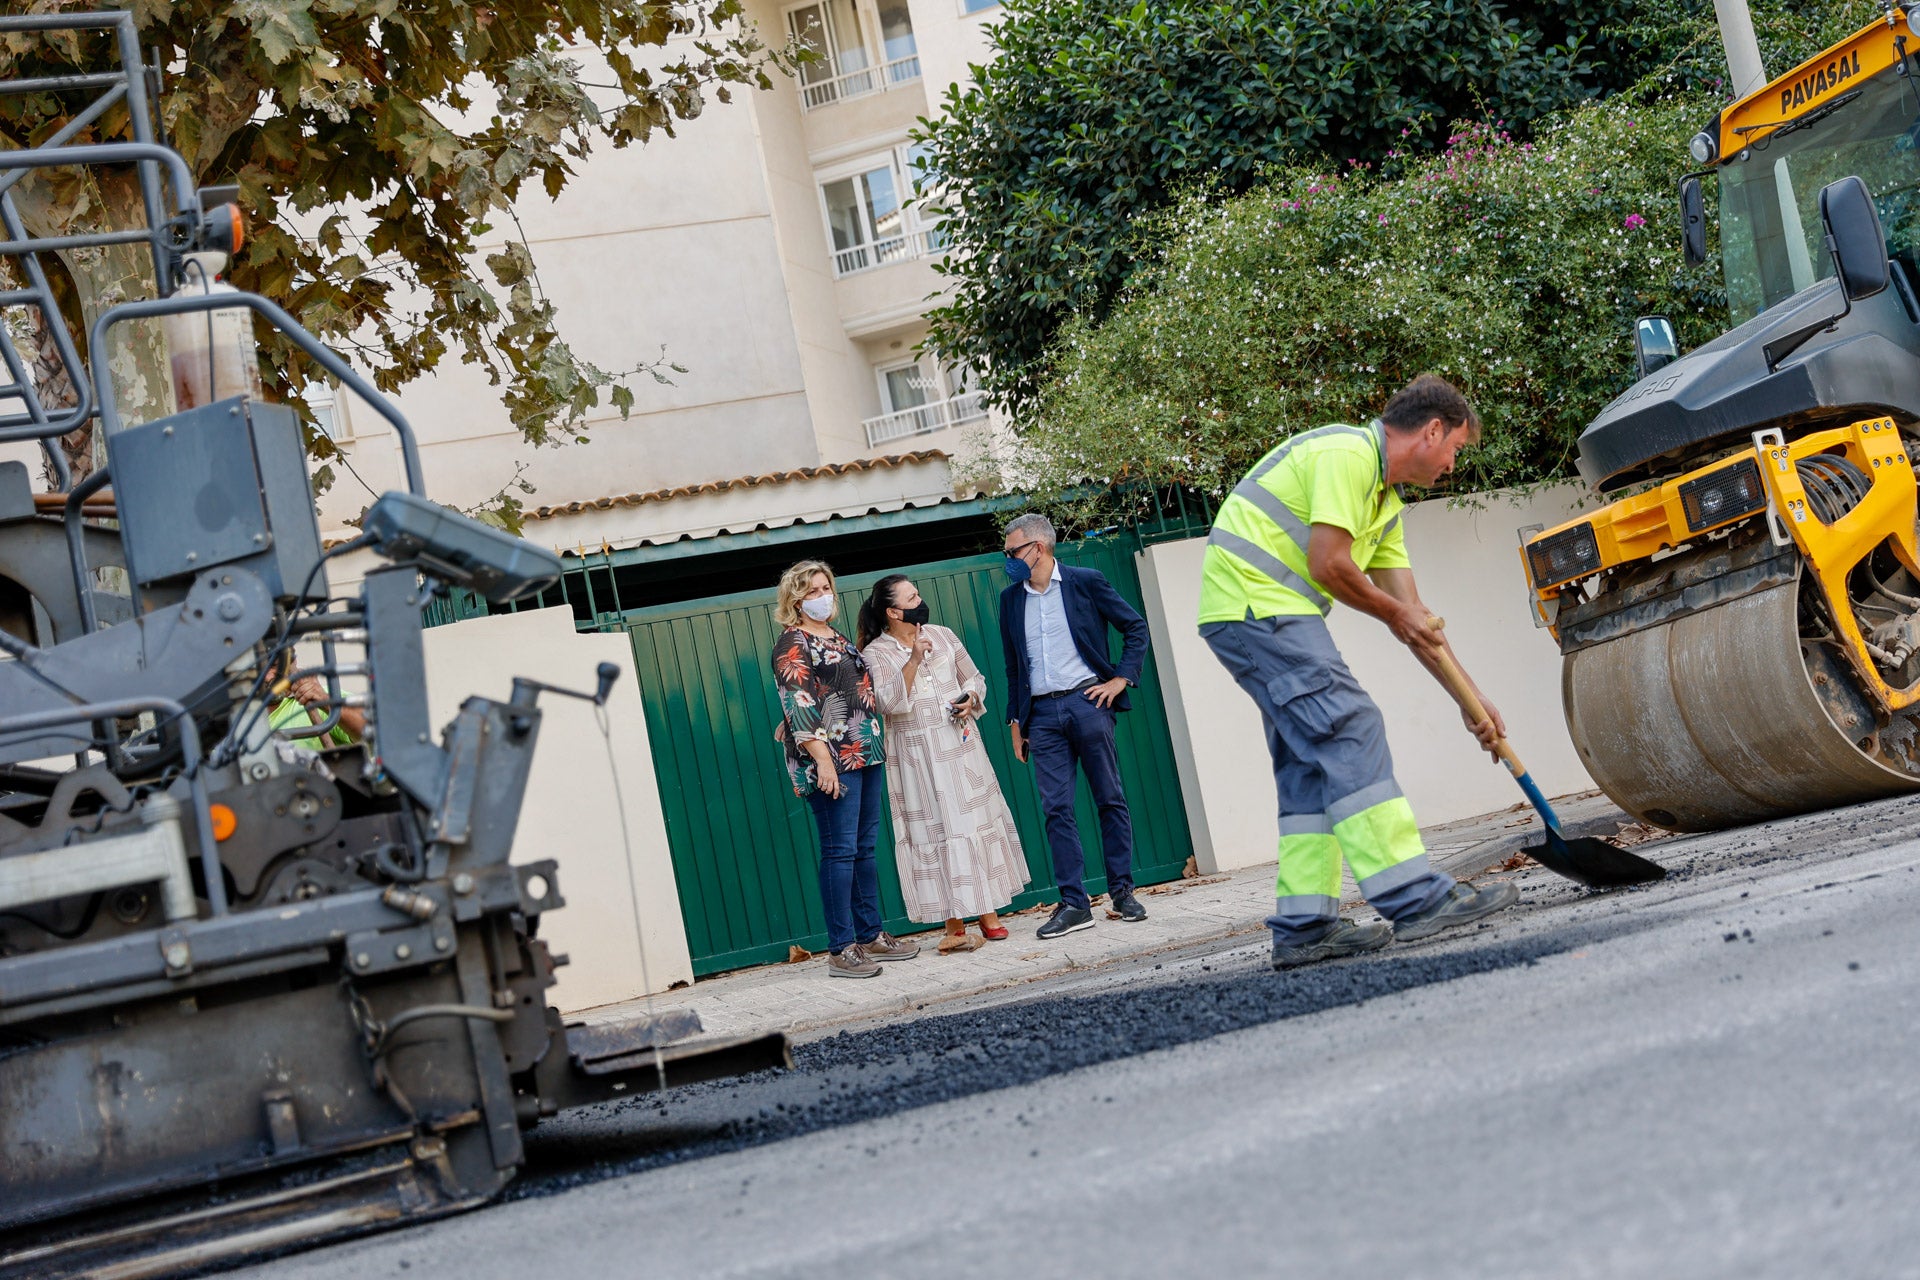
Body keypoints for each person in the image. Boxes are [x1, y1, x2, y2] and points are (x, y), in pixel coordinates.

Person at [1197, 373, 1519, 971]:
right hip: (1256, 607)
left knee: (1310, 761)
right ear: (1432, 430)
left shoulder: (1384, 504)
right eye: (1456, 449)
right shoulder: (1347, 454)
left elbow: (1417, 621)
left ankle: (1304, 926)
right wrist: (1395, 614)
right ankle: (1413, 897)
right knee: (1350, 725)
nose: (1454, 463)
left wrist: (1472, 701)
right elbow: (1329, 564)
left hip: (1252, 613)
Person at [998, 514, 1151, 940]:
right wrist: (1017, 721)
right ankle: (1074, 904)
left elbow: (1135, 627)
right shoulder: (1011, 600)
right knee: (1056, 808)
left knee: (1109, 798)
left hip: (1088, 703)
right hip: (1042, 717)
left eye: (1012, 551)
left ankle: (1122, 893)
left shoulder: (1085, 581)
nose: (1007, 559)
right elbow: (1014, 667)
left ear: (1038, 549)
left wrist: (1121, 678)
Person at [858, 574, 1030, 950]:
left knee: (974, 820)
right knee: (937, 829)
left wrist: (971, 697)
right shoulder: (876, 654)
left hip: (962, 744)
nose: (920, 600)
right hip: (917, 756)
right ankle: (953, 920)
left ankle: (988, 912)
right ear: (892, 611)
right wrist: (916, 658)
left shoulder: (945, 633)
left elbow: (976, 678)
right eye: (911, 596)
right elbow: (887, 703)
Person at [770, 559, 922, 979]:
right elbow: (798, 701)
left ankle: (870, 934)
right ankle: (841, 948)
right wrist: (822, 761)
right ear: (796, 601)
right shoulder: (792, 643)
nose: (823, 597)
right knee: (839, 852)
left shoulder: (833, 636)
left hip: (865, 751)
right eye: (813, 592)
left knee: (863, 849)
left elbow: (837, 690)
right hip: (832, 761)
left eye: (826, 588)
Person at [266, 650, 365, 745]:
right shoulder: (252, 719)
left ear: (293, 662)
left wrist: (323, 700)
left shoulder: (320, 700)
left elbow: (371, 732)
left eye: (274, 666)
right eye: (260, 672)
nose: (268, 677)